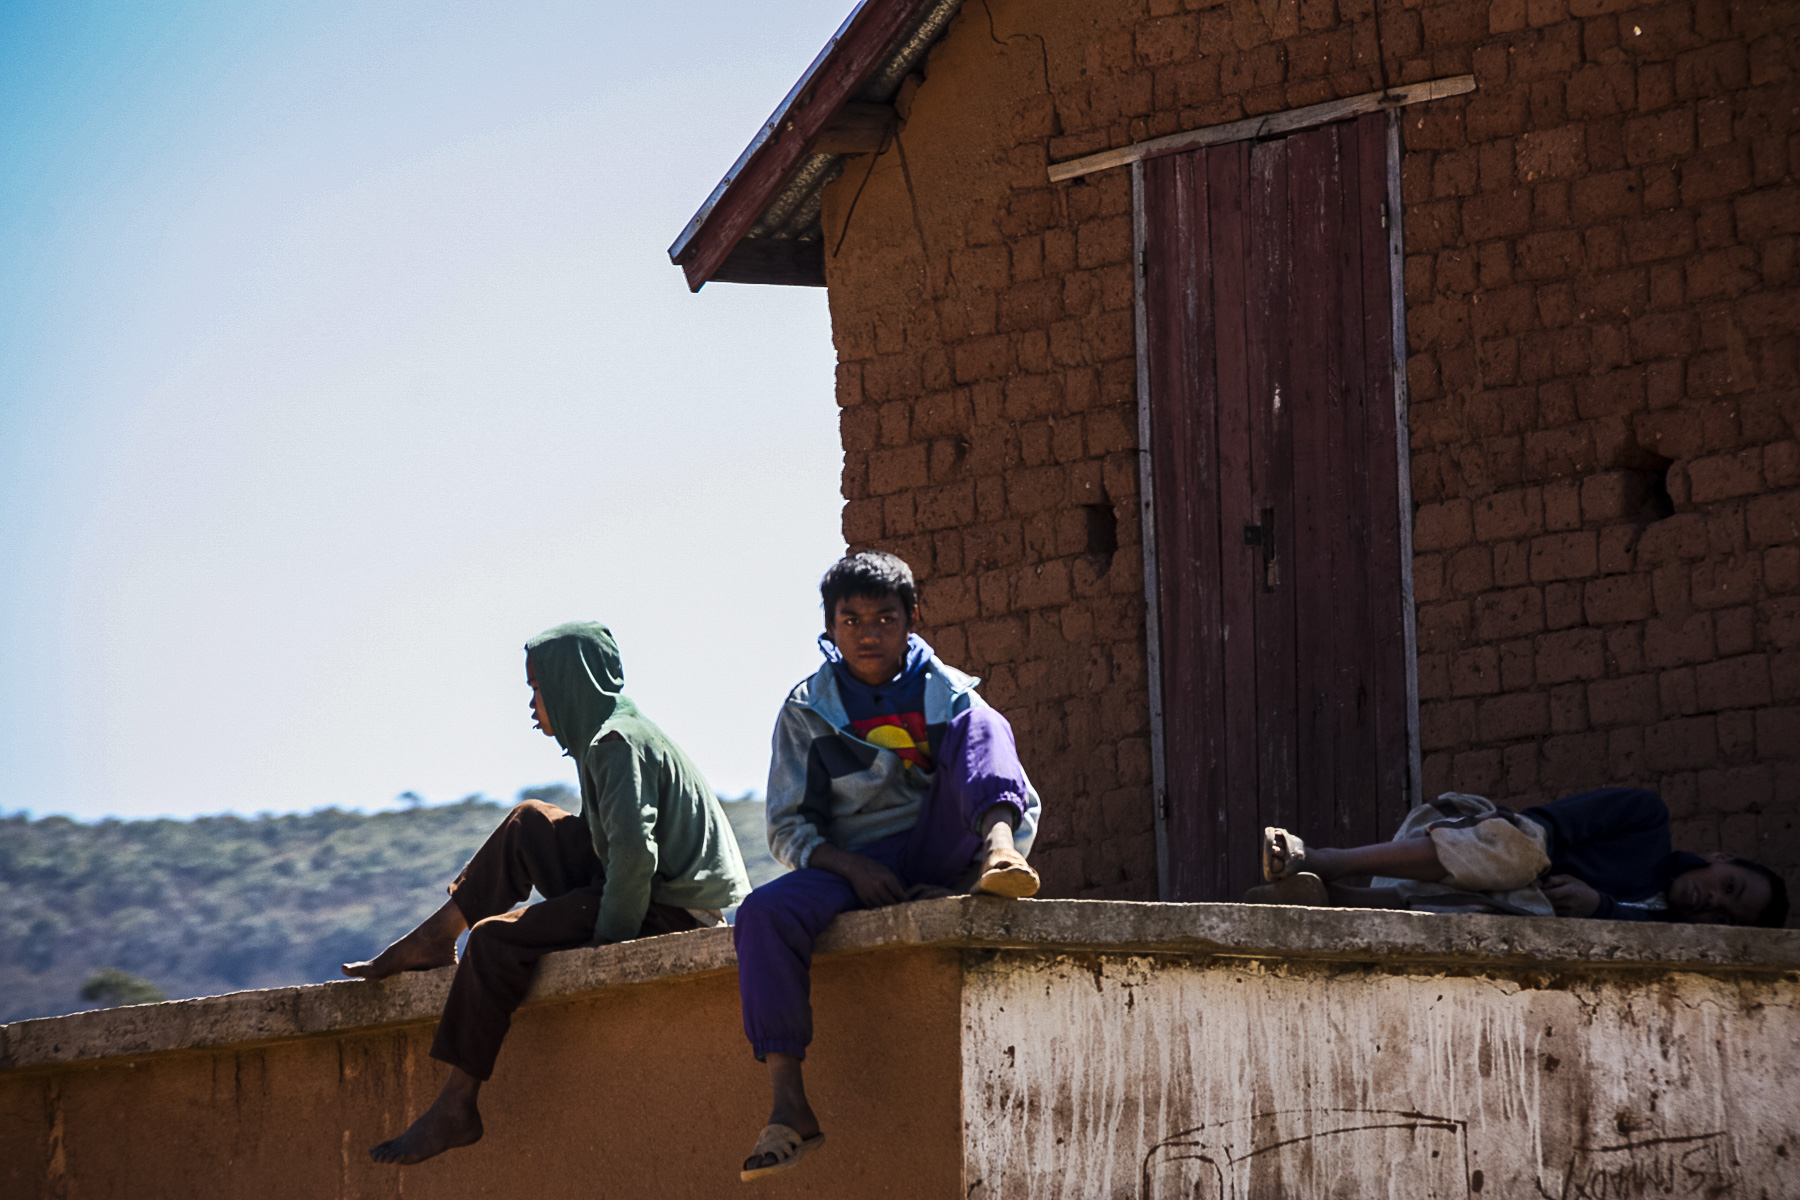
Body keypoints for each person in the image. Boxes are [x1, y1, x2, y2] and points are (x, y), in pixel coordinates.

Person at [342, 621, 752, 1165]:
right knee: (530, 821)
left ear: (569, 685)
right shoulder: (608, 734)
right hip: (640, 889)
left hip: (667, 910)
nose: (533, 705)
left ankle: (457, 1105)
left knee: (492, 943)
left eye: (538, 689)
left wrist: (606, 944)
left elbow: (634, 856)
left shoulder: (615, 743)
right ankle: (435, 938)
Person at [732, 551, 1043, 1182]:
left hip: (942, 843)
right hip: (853, 862)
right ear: (830, 627)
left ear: (912, 621)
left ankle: (1000, 850)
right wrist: (848, 868)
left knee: (985, 722)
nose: (868, 633)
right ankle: (789, 1105)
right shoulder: (806, 711)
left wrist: (958, 881)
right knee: (762, 913)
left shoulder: (950, 695)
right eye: (851, 620)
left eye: (884, 619)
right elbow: (788, 828)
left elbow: (995, 770)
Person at [1253, 786, 1788, 928]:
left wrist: (1599, 906)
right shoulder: (1647, 821)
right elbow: (1545, 825)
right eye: (1729, 886)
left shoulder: (1673, 933)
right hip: (1485, 836)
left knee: (1514, 917)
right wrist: (1556, 878)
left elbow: (1587, 912)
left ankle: (1332, 900)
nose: (1711, 900)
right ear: (1720, 858)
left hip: (1502, 902)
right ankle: (1329, 861)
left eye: (1723, 914)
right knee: (1516, 859)